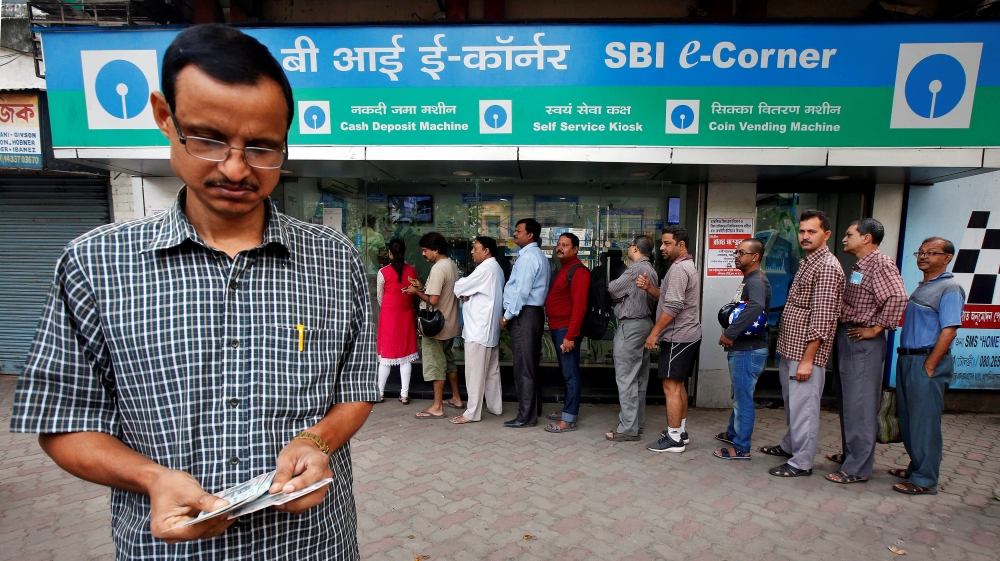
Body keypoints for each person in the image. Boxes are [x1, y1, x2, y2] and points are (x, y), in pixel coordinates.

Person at [9, 25, 377, 558]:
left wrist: (316, 441)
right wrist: (151, 477)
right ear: (165, 116)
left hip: (312, 543)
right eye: (208, 139)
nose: (236, 168)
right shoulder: (94, 264)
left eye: (262, 148)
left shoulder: (335, 259)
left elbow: (356, 389)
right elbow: (63, 421)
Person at [760, 210, 845, 477]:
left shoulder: (827, 267)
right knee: (794, 405)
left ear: (826, 234)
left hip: (805, 354)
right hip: (791, 348)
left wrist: (808, 360)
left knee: (805, 409)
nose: (805, 236)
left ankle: (801, 463)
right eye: (802, 231)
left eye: (812, 231)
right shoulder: (809, 261)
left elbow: (822, 317)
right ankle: (790, 446)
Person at [826, 219, 907, 484]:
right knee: (849, 402)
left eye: (849, 234)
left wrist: (877, 328)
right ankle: (851, 455)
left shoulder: (880, 263)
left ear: (866, 238)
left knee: (860, 404)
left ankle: (857, 468)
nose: (844, 239)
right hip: (850, 336)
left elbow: (898, 297)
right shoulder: (861, 265)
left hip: (863, 341)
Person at [890, 237, 964, 495]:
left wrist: (930, 366)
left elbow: (949, 330)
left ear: (947, 258)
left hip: (926, 361)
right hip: (908, 359)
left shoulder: (950, 288)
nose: (923, 256)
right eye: (920, 252)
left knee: (925, 422)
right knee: (910, 419)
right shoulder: (924, 286)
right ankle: (916, 467)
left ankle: (925, 479)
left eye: (931, 253)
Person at [640, 226, 702, 453]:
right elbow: (668, 297)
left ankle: (674, 438)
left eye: (667, 243)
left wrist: (654, 333)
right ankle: (680, 432)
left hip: (678, 336)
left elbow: (673, 306)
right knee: (678, 384)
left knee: (671, 387)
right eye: (662, 243)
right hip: (688, 335)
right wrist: (650, 288)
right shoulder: (686, 265)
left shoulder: (678, 269)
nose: (662, 248)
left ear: (681, 244)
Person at [713, 238, 771, 461]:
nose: (736, 256)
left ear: (755, 257)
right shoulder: (750, 279)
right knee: (739, 394)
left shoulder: (756, 281)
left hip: (749, 351)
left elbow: (756, 306)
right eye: (736, 252)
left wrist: (731, 333)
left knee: (743, 399)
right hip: (745, 349)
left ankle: (741, 448)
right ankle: (733, 433)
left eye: (741, 253)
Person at [605, 235, 659, 442]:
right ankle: (636, 423)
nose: (628, 249)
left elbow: (613, 288)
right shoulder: (651, 269)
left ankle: (628, 428)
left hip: (631, 326)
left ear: (635, 248)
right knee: (639, 378)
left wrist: (620, 296)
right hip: (644, 323)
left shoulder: (635, 269)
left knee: (626, 378)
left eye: (629, 245)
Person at [404, 232, 462, 419]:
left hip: (435, 327)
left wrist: (416, 292)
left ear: (436, 250)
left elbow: (434, 300)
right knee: (449, 363)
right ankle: (456, 398)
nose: (423, 254)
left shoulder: (438, 269)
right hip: (449, 323)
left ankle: (437, 407)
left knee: (436, 366)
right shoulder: (451, 264)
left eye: (425, 250)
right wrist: (422, 288)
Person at [501, 218, 550, 428]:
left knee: (523, 367)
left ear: (530, 235)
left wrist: (507, 316)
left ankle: (526, 416)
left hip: (524, 314)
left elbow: (521, 292)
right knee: (530, 365)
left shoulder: (529, 257)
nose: (515, 234)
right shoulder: (535, 255)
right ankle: (532, 410)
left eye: (518, 231)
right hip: (531, 313)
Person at [451, 237, 505, 424]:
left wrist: (465, 293)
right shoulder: (496, 268)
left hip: (479, 329)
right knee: (491, 371)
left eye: (475, 248)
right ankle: (495, 407)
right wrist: (466, 293)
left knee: (474, 373)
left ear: (486, 251)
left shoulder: (484, 269)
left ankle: (472, 413)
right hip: (489, 328)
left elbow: (459, 286)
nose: (472, 252)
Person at [543, 232, 591, 433]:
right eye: (559, 244)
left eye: (565, 245)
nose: (560, 248)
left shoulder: (579, 272)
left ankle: (569, 419)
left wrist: (570, 336)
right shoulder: (565, 269)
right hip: (558, 328)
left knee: (570, 374)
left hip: (566, 330)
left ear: (575, 249)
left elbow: (579, 307)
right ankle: (566, 411)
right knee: (566, 373)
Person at [376, 238, 420, 405]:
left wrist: (389, 307)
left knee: (386, 356)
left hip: (389, 315)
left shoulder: (383, 272)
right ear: (404, 252)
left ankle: (380, 392)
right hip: (406, 315)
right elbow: (415, 294)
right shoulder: (412, 271)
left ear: (390, 253)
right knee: (405, 356)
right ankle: (404, 394)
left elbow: (380, 297)